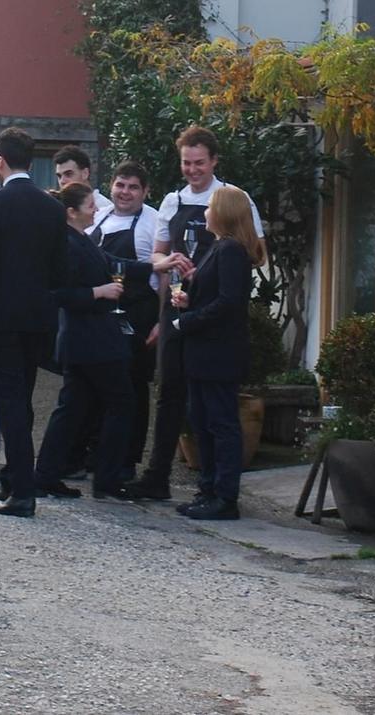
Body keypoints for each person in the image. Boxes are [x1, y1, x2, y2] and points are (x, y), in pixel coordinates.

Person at [123, 125, 266, 502]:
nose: (192, 169)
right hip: (177, 303)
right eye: (186, 163)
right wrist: (167, 262)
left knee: (212, 405)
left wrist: (208, 277)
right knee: (170, 392)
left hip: (211, 312)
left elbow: (255, 251)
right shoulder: (172, 201)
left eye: (199, 162)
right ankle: (158, 476)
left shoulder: (235, 200)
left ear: (214, 161)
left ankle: (216, 489)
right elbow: (157, 253)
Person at [0, 127, 68, 518]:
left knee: (9, 405)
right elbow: (59, 270)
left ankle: (23, 492)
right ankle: (13, 478)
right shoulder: (53, 208)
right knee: (21, 401)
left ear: (0, 162)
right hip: (37, 319)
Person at [31, 183, 136, 501]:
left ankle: (46, 475)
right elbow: (58, 294)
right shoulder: (67, 244)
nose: (96, 209)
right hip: (92, 340)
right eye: (90, 205)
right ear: (71, 212)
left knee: (72, 409)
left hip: (84, 341)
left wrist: (156, 265)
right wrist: (98, 292)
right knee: (121, 404)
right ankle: (106, 479)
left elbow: (112, 261)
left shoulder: (80, 239)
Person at [167, 185, 262, 521]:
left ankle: (224, 495)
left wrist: (187, 321)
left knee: (221, 424)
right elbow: (215, 294)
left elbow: (229, 302)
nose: (205, 212)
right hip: (204, 351)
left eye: (209, 206)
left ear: (223, 213)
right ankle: (208, 489)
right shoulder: (219, 247)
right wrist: (189, 298)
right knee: (202, 421)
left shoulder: (231, 250)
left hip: (218, 353)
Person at [92, 160, 160, 479]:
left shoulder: (154, 223)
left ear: (145, 191)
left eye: (133, 187)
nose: (125, 192)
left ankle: (127, 460)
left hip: (139, 315)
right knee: (98, 386)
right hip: (101, 313)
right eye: (120, 185)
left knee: (133, 388)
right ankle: (97, 453)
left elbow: (165, 277)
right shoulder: (99, 216)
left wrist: (162, 320)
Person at [51, 147, 113, 221]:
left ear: (85, 173)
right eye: (59, 176)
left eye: (68, 174)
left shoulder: (105, 208)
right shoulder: (56, 206)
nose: (62, 181)